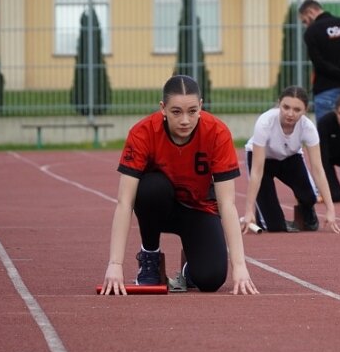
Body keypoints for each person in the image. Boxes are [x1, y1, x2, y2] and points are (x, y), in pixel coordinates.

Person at [101, 75, 258, 296]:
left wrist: (240, 267)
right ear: (163, 108)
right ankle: (151, 255)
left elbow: (227, 203)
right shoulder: (143, 132)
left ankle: (190, 265)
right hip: (159, 207)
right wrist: (115, 264)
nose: (185, 120)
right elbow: (124, 202)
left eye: (192, 111)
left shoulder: (217, 133)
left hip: (199, 209)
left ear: (201, 106)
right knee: (150, 188)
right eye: (176, 112)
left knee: (211, 280)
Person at [242, 86, 340, 234]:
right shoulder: (265, 122)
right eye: (286, 107)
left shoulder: (308, 128)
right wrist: (248, 209)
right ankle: (264, 211)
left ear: (305, 110)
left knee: (310, 197)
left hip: (290, 158)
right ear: (279, 104)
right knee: (275, 227)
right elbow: (257, 171)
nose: (290, 114)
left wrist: (330, 209)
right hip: (263, 160)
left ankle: (305, 214)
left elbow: (318, 169)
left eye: (297, 110)